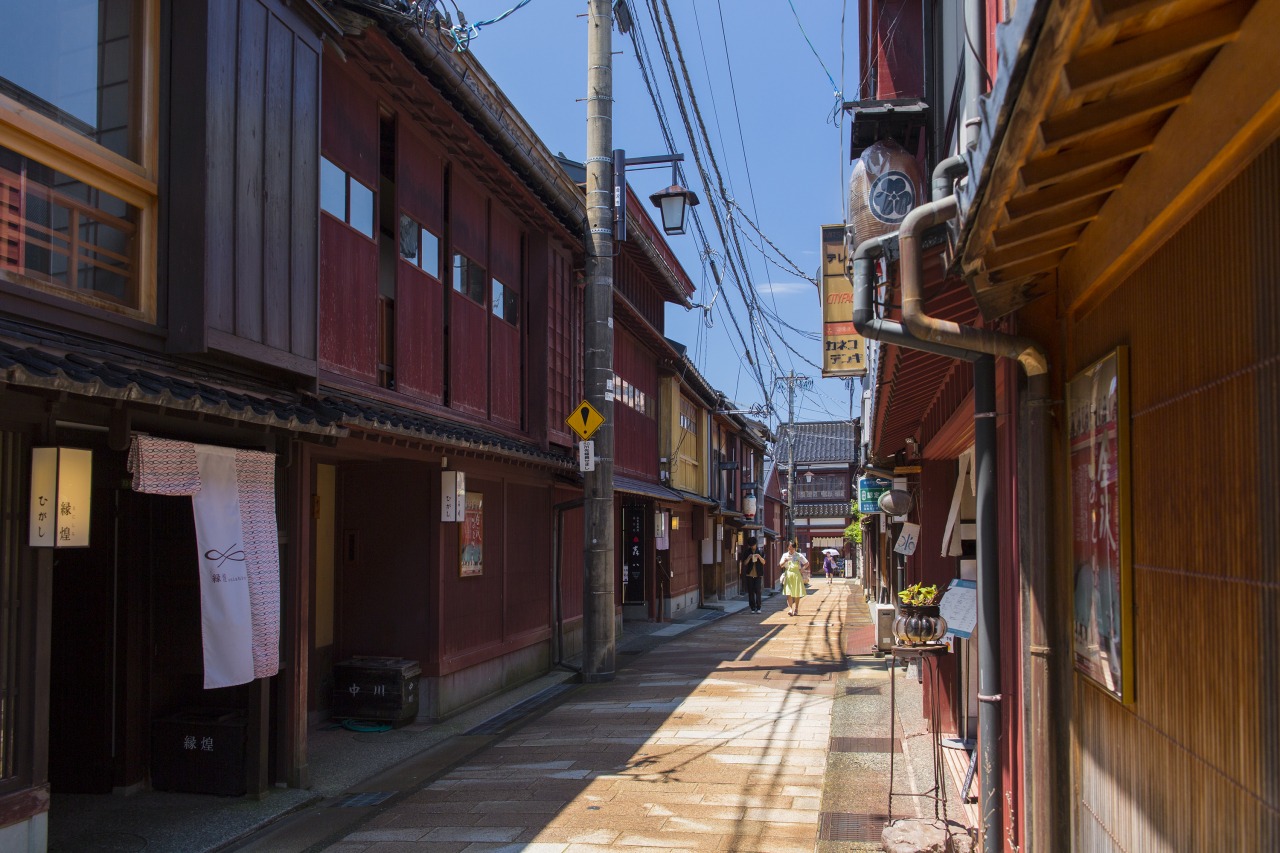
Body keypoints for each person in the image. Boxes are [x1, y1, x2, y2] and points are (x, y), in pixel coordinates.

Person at [779, 541, 809, 616]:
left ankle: (796, 608)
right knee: (788, 592)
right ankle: (790, 609)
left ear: (795, 548)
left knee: (797, 593)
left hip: (796, 574)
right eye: (789, 548)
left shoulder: (798, 555)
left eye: (792, 548)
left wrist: (802, 569)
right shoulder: (785, 555)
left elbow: (807, 563)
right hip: (788, 574)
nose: (791, 550)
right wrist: (785, 561)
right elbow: (781, 565)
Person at [740, 537, 766, 613]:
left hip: (758, 574)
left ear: (756, 544)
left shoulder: (760, 551)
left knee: (758, 591)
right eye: (751, 545)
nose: (752, 547)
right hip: (749, 574)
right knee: (750, 591)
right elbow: (744, 563)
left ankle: (758, 607)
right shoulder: (747, 552)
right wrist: (749, 557)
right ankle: (752, 607)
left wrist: (759, 557)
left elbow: (764, 562)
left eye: (753, 545)